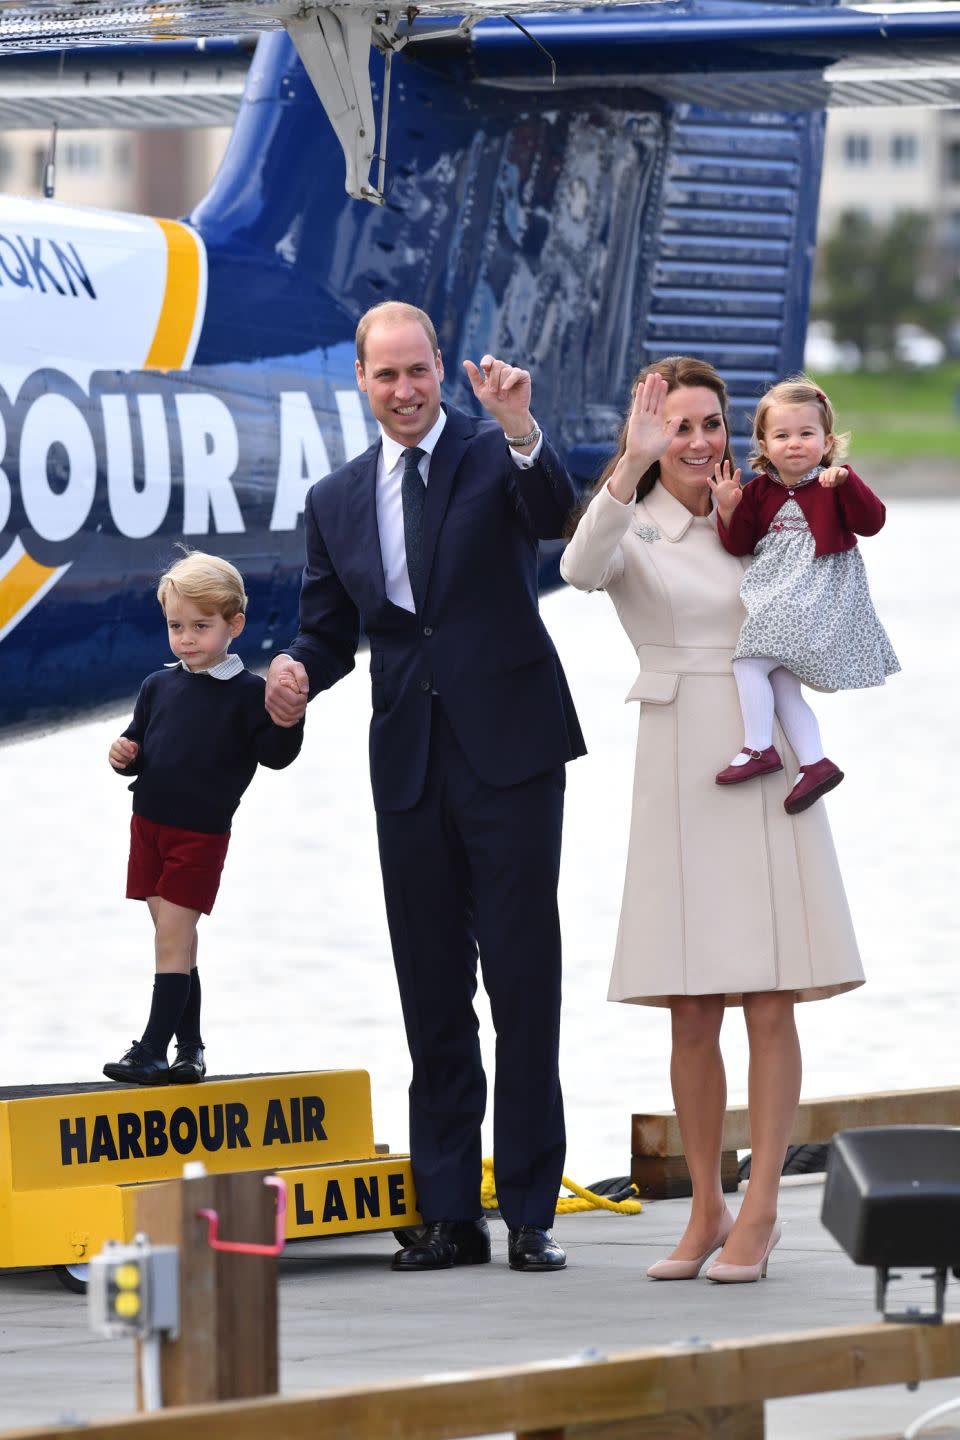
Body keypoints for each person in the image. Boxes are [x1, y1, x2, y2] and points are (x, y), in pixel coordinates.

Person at [265, 300, 585, 1274]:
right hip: (407, 760)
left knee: (523, 981)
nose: (404, 391)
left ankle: (530, 1209)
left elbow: (556, 524)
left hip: (511, 750)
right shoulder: (335, 499)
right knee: (432, 988)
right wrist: (294, 676)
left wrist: (523, 429)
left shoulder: (498, 455)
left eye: (417, 371)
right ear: (359, 382)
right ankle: (449, 1211)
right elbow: (330, 632)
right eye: (385, 375)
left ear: (441, 368)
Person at [560, 357, 864, 1284]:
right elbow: (578, 570)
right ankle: (705, 1208)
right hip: (676, 761)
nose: (699, 442)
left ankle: (762, 1210)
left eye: (711, 423)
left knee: (770, 997)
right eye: (679, 426)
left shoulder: (767, 504)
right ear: (651, 433)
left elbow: (818, 604)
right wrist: (628, 466)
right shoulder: (629, 518)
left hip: (762, 752)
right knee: (690, 1007)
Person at [105, 551, 303, 1086]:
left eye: (201, 626)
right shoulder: (158, 685)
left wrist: (290, 715)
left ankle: (150, 1049)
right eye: (176, 626)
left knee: (173, 936)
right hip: (147, 825)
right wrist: (124, 753)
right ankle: (189, 1050)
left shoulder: (247, 695)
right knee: (178, 941)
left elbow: (277, 755)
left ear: (234, 625)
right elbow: (143, 745)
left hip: (199, 835)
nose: (187, 638)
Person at [712, 376, 899, 812]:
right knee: (781, 682)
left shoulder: (833, 484)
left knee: (748, 660)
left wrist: (847, 481)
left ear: (827, 440)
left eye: (806, 434)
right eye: (782, 435)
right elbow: (738, 544)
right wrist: (727, 506)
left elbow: (873, 523)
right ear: (763, 442)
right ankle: (814, 762)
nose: (794, 444)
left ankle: (759, 747)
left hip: (816, 595)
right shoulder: (758, 491)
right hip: (778, 593)